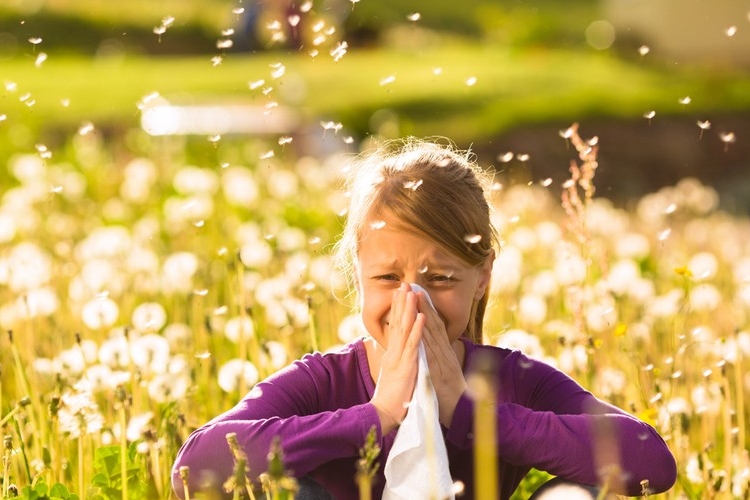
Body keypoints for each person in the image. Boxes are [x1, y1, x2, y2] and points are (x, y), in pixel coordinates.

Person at [171, 139, 677, 499]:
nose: (412, 302)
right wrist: (376, 417)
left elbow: (650, 462)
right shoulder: (324, 380)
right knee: (284, 488)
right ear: (358, 276)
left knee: (585, 490)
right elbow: (194, 469)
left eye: (439, 280)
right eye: (388, 278)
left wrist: (472, 413)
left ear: (482, 278)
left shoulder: (510, 380)